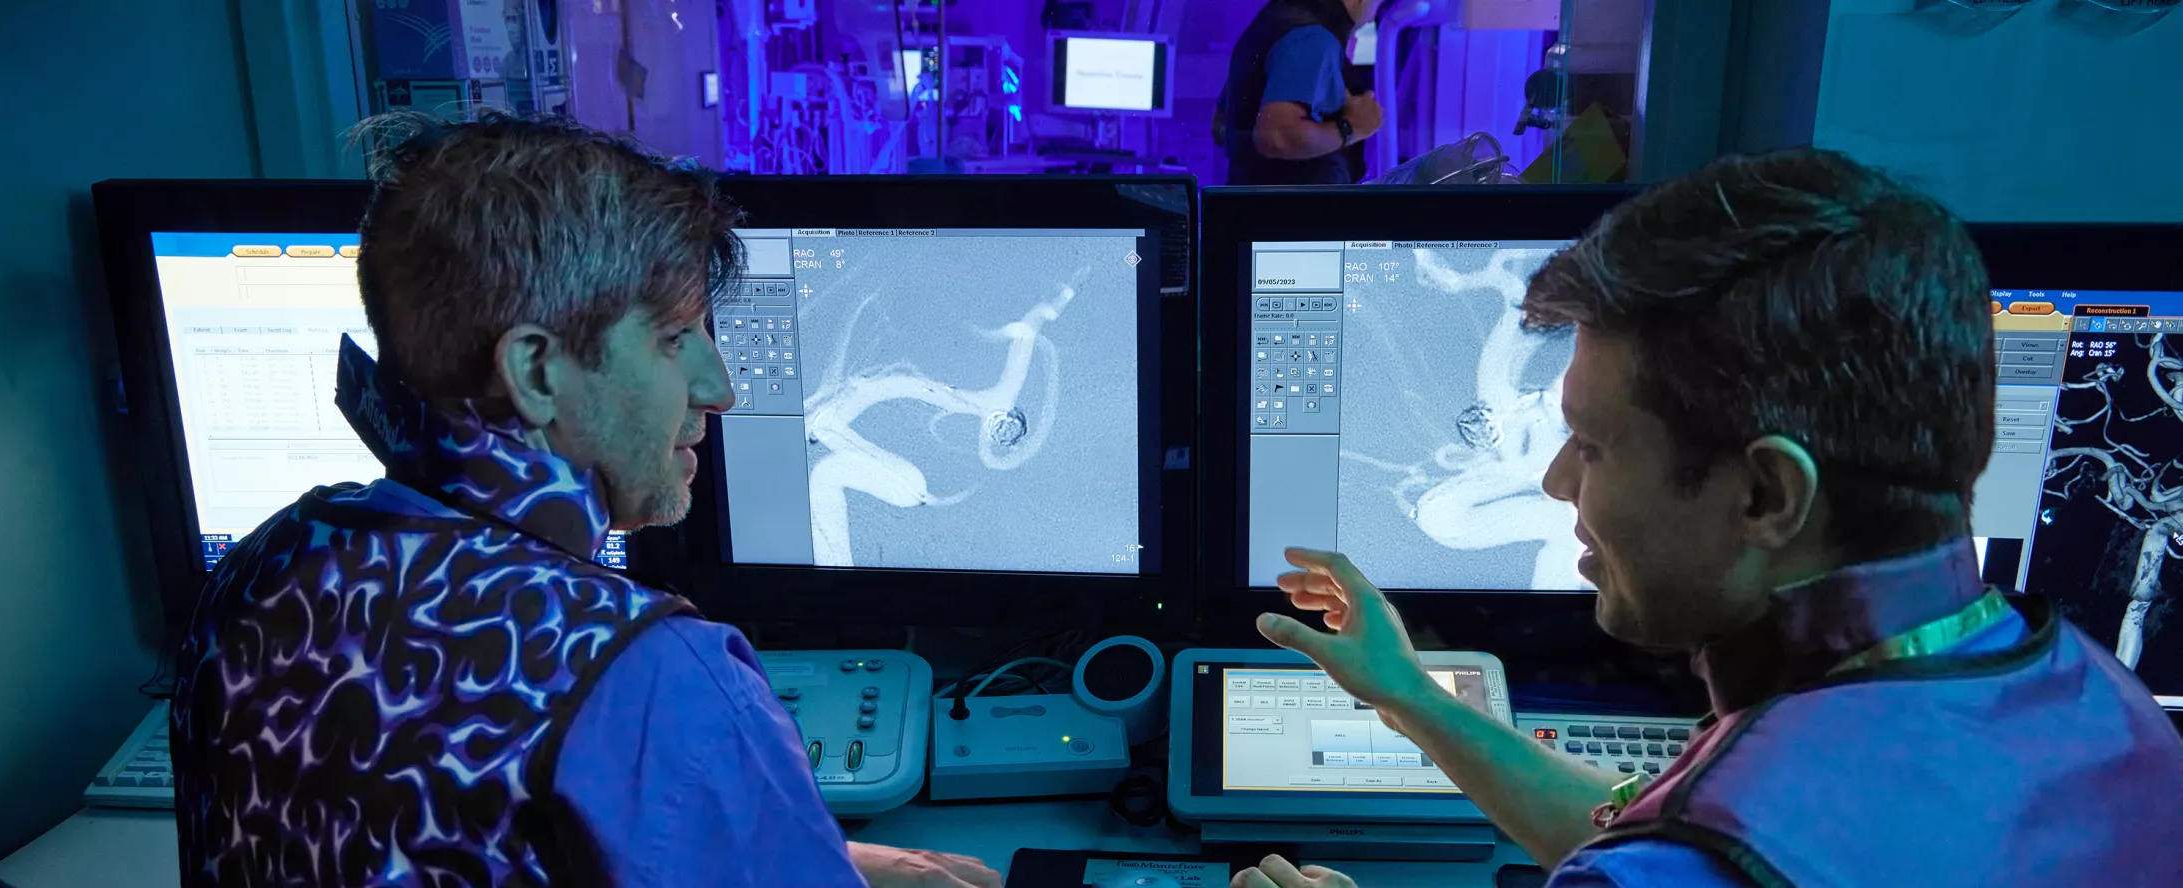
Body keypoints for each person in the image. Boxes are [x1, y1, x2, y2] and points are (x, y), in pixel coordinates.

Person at [1233, 149, 2183, 887]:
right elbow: (1682, 832)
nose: (1561, 483)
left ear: (1766, 497)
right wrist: (1409, 691)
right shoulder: (2105, 710)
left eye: (1594, 446)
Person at [170, 114, 1000, 888]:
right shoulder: (653, 678)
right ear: (535, 371)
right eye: (676, 338)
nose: (720, 388)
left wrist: (819, 856)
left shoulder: (257, 569)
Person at [1216, 0, 1387, 185]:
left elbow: (1220, 125)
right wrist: (1351, 128)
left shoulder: (1272, 22)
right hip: (1294, 211)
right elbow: (1276, 137)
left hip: (1249, 206)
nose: (1372, 19)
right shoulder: (1313, 37)